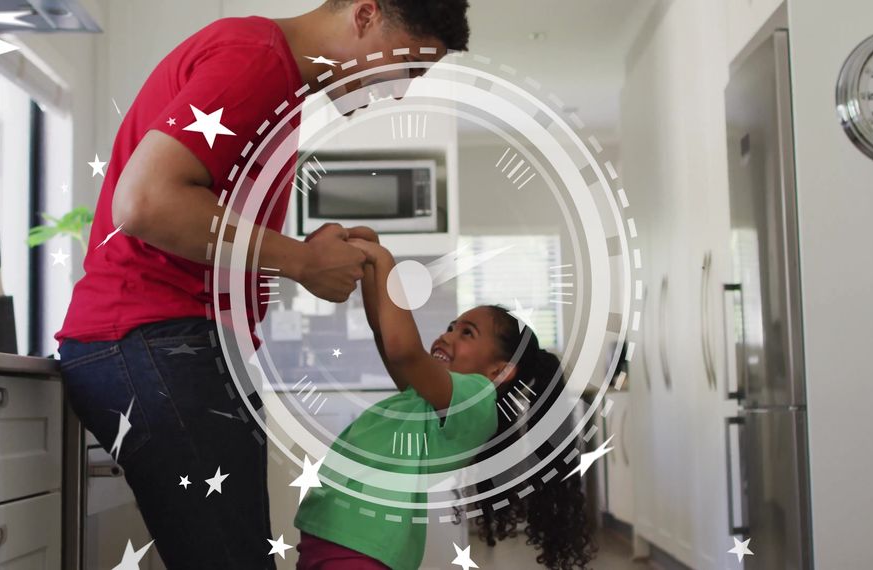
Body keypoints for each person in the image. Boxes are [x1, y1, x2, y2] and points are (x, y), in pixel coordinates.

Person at [54, 1, 470, 568]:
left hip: (170, 344)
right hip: (157, 339)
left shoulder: (275, 81)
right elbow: (145, 201)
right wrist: (300, 260)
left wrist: (306, 254)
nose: (397, 92)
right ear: (366, 15)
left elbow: (193, 213)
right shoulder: (259, 62)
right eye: (403, 69)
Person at [294, 235, 595, 570]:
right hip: (334, 534)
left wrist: (385, 262)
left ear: (499, 371)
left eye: (467, 333)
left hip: (361, 546)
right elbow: (385, 333)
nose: (447, 335)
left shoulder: (476, 401)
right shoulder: (426, 398)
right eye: (451, 327)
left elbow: (403, 349)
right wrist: (370, 268)